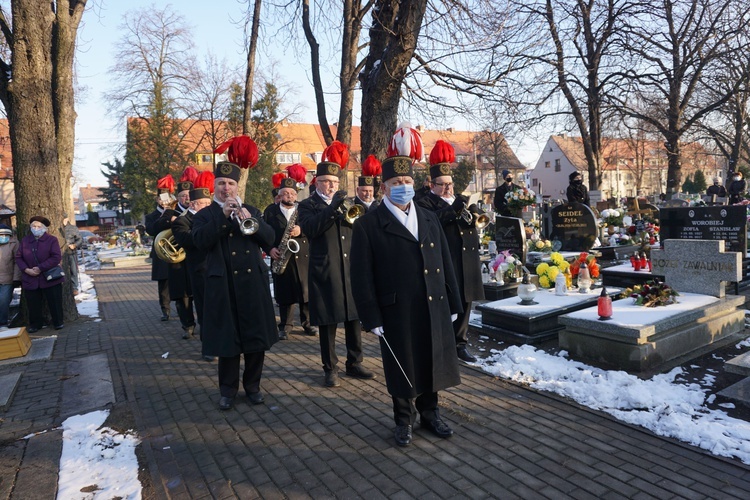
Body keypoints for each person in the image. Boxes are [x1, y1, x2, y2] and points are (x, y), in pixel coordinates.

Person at [351, 153, 463, 447]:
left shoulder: (428, 217)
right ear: (384, 187)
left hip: (432, 301)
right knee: (402, 364)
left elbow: (445, 261)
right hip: (396, 308)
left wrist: (453, 302)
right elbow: (361, 277)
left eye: (407, 180)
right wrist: (370, 317)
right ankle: (403, 419)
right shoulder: (368, 225)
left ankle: (430, 413)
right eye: (396, 182)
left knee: (431, 359)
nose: (403, 186)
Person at [192, 160, 278, 410]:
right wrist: (223, 217)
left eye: (230, 183)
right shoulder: (205, 214)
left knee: (255, 339)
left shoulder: (250, 209)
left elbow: (270, 239)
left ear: (237, 186)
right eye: (221, 183)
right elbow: (199, 241)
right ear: (213, 187)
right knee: (227, 342)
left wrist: (253, 220)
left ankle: (253, 386)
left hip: (252, 284)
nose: (226, 188)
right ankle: (227, 390)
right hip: (223, 285)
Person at [297, 141, 375, 388]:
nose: (331, 185)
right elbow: (310, 229)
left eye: (334, 182)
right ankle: (330, 367)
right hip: (325, 267)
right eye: (326, 181)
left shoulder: (348, 202)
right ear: (317, 182)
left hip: (349, 267)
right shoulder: (307, 205)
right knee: (328, 321)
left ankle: (355, 362)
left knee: (353, 316)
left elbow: (360, 228)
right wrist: (331, 209)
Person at [416, 140, 484, 363]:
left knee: (466, 302)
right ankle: (443, 343)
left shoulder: (458, 200)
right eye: (442, 185)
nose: (448, 189)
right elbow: (430, 223)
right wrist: (452, 210)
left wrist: (473, 213)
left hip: (467, 259)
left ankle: (460, 343)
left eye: (450, 184)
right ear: (432, 184)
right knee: (445, 303)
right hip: (446, 260)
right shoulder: (426, 202)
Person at [265, 171, 316, 340]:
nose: (289, 196)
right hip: (280, 255)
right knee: (284, 292)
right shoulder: (270, 211)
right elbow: (264, 234)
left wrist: (301, 230)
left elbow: (314, 228)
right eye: (285, 193)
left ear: (296, 194)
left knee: (305, 291)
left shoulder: (304, 209)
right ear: (279, 195)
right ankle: (285, 326)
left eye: (292, 193)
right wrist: (270, 248)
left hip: (302, 255)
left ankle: (307, 323)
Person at [172, 171, 215, 361]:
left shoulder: (214, 217)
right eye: (202, 204)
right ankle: (208, 347)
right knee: (205, 310)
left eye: (208, 203)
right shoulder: (182, 221)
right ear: (192, 204)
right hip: (199, 271)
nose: (206, 207)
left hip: (218, 268)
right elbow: (192, 241)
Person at [152, 169, 197, 339]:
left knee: (198, 293)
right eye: (183, 195)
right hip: (177, 262)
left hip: (194, 258)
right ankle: (188, 325)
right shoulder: (171, 210)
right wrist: (168, 216)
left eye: (189, 195)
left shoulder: (198, 210)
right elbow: (155, 229)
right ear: (178, 197)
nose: (187, 198)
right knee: (182, 296)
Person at [16, 216, 65, 332]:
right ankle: (35, 324)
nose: (36, 228)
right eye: (34, 226)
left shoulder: (52, 240)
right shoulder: (25, 240)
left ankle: (58, 322)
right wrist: (26, 269)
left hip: (49, 275)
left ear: (44, 228)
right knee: (33, 303)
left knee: (54, 300)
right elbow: (18, 257)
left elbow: (56, 257)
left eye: (39, 226)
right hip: (30, 277)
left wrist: (40, 268)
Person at [145, 175, 175, 321]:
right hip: (160, 251)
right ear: (157, 200)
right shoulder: (151, 216)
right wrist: (163, 216)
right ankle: (165, 310)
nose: (165, 202)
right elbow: (151, 230)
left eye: (167, 199)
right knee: (163, 283)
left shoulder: (175, 211)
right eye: (162, 199)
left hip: (175, 250)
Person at [0, 224, 20, 329]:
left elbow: (17, 262)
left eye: (4, 234)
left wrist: (16, 278)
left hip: (7, 278)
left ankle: (3, 323)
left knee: (3, 301)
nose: (2, 236)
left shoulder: (14, 244)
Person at [60, 215, 82, 295]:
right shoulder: (56, 228)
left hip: (71, 252)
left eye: (64, 219)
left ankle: (74, 288)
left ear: (67, 219)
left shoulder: (72, 228)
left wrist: (74, 245)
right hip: (59, 253)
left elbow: (79, 239)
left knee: (73, 270)